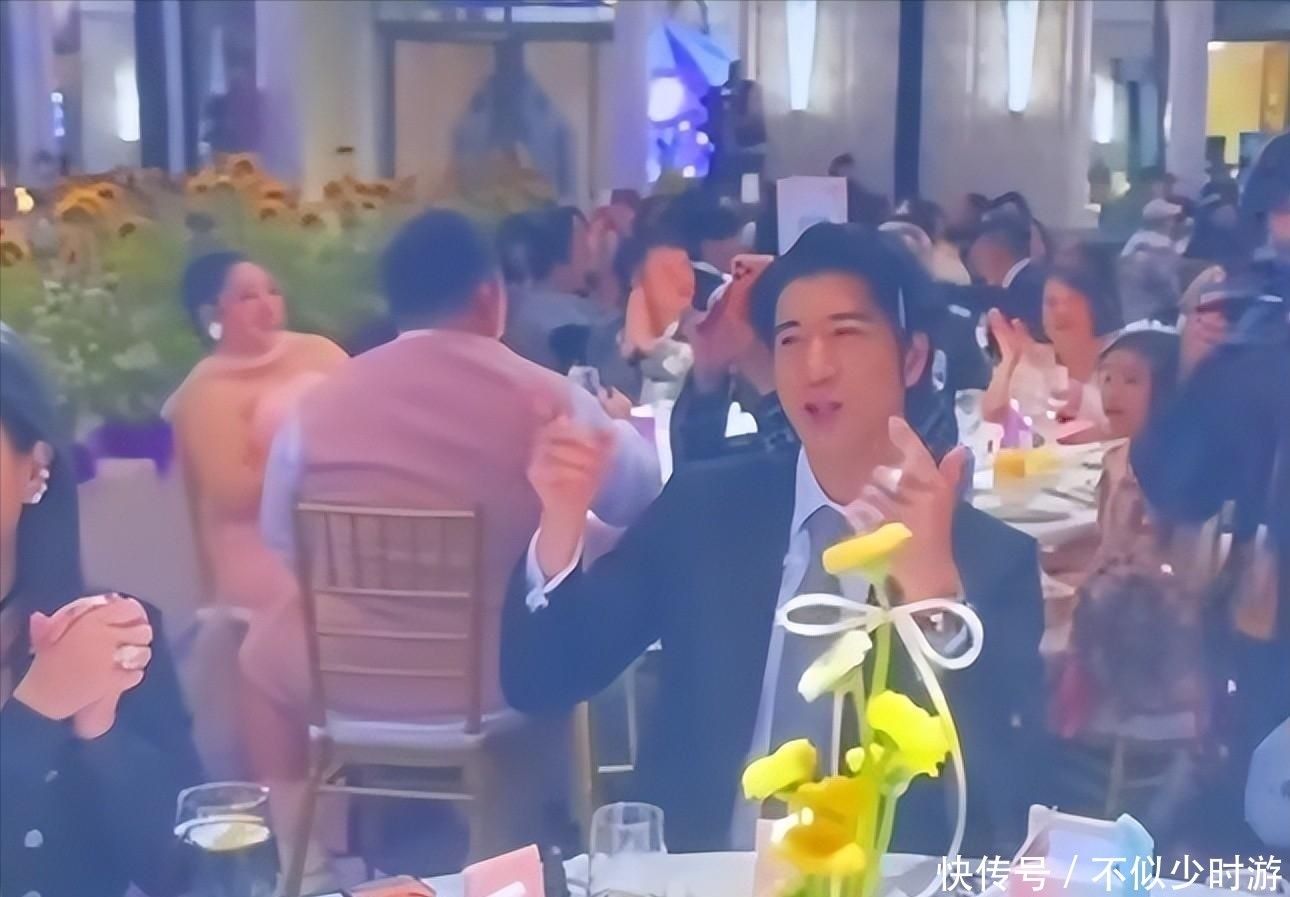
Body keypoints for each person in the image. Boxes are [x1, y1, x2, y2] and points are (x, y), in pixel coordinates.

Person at [502, 223, 1046, 856]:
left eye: (846, 334)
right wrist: (562, 519)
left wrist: (935, 606)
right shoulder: (706, 510)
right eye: (791, 340)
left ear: (913, 358)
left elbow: (1003, 806)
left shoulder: (987, 557)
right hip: (700, 873)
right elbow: (544, 678)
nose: (815, 367)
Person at [246, 210, 660, 862]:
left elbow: (282, 536)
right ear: (491, 296)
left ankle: (306, 852)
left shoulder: (316, 407)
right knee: (569, 609)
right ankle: (546, 832)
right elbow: (641, 499)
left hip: (344, 680)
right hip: (498, 683)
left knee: (256, 654)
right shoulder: (548, 399)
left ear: (394, 302)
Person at [0, 327, 202, 897]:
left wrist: (101, 732)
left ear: (34, 469)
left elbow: (186, 874)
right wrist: (38, 711)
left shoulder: (109, 634)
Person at [167, 251, 348, 616]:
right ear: (211, 316)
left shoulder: (320, 351)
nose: (268, 307)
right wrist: (310, 456)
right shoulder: (207, 391)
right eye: (248, 297)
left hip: (347, 530)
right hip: (261, 550)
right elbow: (233, 493)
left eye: (273, 292)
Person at [982, 248, 1124, 435]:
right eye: (1051, 303)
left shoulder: (1124, 353)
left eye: (1071, 301)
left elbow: (1128, 422)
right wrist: (1009, 359)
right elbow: (993, 416)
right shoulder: (1035, 358)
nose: (1061, 311)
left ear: (1095, 307)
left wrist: (1081, 398)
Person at [503, 206, 613, 373]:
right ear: (558, 255)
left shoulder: (514, 304)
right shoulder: (563, 318)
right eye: (583, 244)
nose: (592, 252)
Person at [966, 215, 1047, 336]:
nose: (970, 253)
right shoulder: (1036, 282)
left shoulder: (1023, 293)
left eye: (974, 243)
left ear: (990, 247)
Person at [1119, 198, 1184, 324]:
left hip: (1131, 313)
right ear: (1165, 222)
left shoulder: (1134, 241)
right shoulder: (1159, 246)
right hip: (1152, 316)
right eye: (1172, 219)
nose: (1174, 223)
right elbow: (1169, 285)